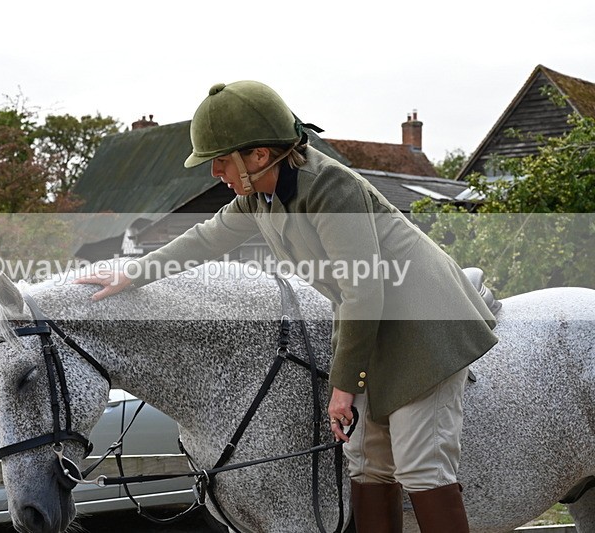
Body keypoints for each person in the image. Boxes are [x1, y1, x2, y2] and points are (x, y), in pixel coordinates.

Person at [77, 81, 498, 532]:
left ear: (259, 155)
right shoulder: (260, 197)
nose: (215, 171)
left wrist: (343, 386)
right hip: (371, 326)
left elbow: (363, 290)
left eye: (220, 159)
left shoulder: (330, 187)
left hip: (422, 325)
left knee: (420, 468)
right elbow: (205, 238)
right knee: (367, 465)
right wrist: (131, 272)